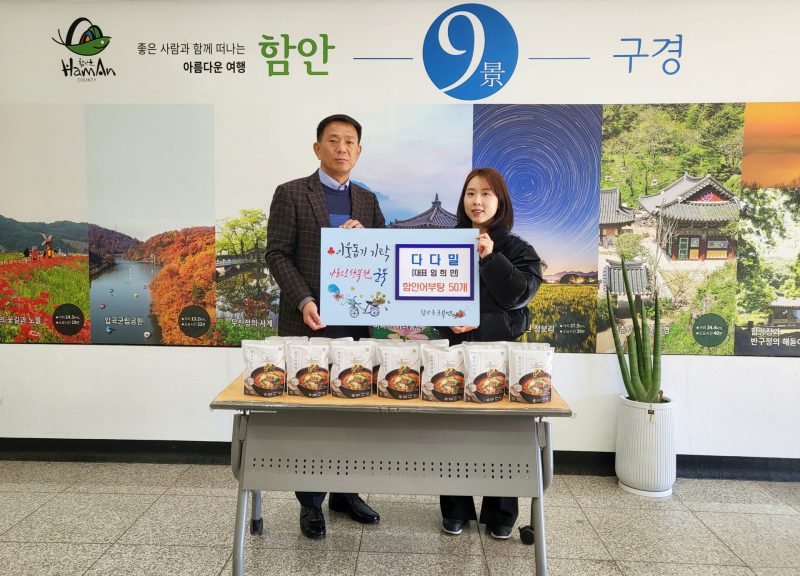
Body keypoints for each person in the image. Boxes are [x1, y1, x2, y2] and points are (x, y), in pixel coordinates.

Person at [264, 114, 384, 540]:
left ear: (359, 151)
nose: (342, 148)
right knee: (311, 410)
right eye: (333, 140)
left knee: (353, 408)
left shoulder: (367, 200)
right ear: (318, 148)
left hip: (355, 323)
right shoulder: (291, 193)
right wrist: (304, 299)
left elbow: (383, 253)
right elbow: (277, 254)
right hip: (309, 319)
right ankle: (311, 503)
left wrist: (367, 238)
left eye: (350, 141)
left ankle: (346, 493)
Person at [436, 167, 543, 540]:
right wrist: (447, 322)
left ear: (501, 201)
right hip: (453, 353)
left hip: (499, 356)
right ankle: (455, 510)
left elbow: (519, 302)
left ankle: (501, 512)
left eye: (486, 194)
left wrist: (491, 256)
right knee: (454, 433)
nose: (477, 201)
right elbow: (426, 297)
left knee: (501, 434)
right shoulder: (446, 243)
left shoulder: (519, 249)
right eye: (470, 193)